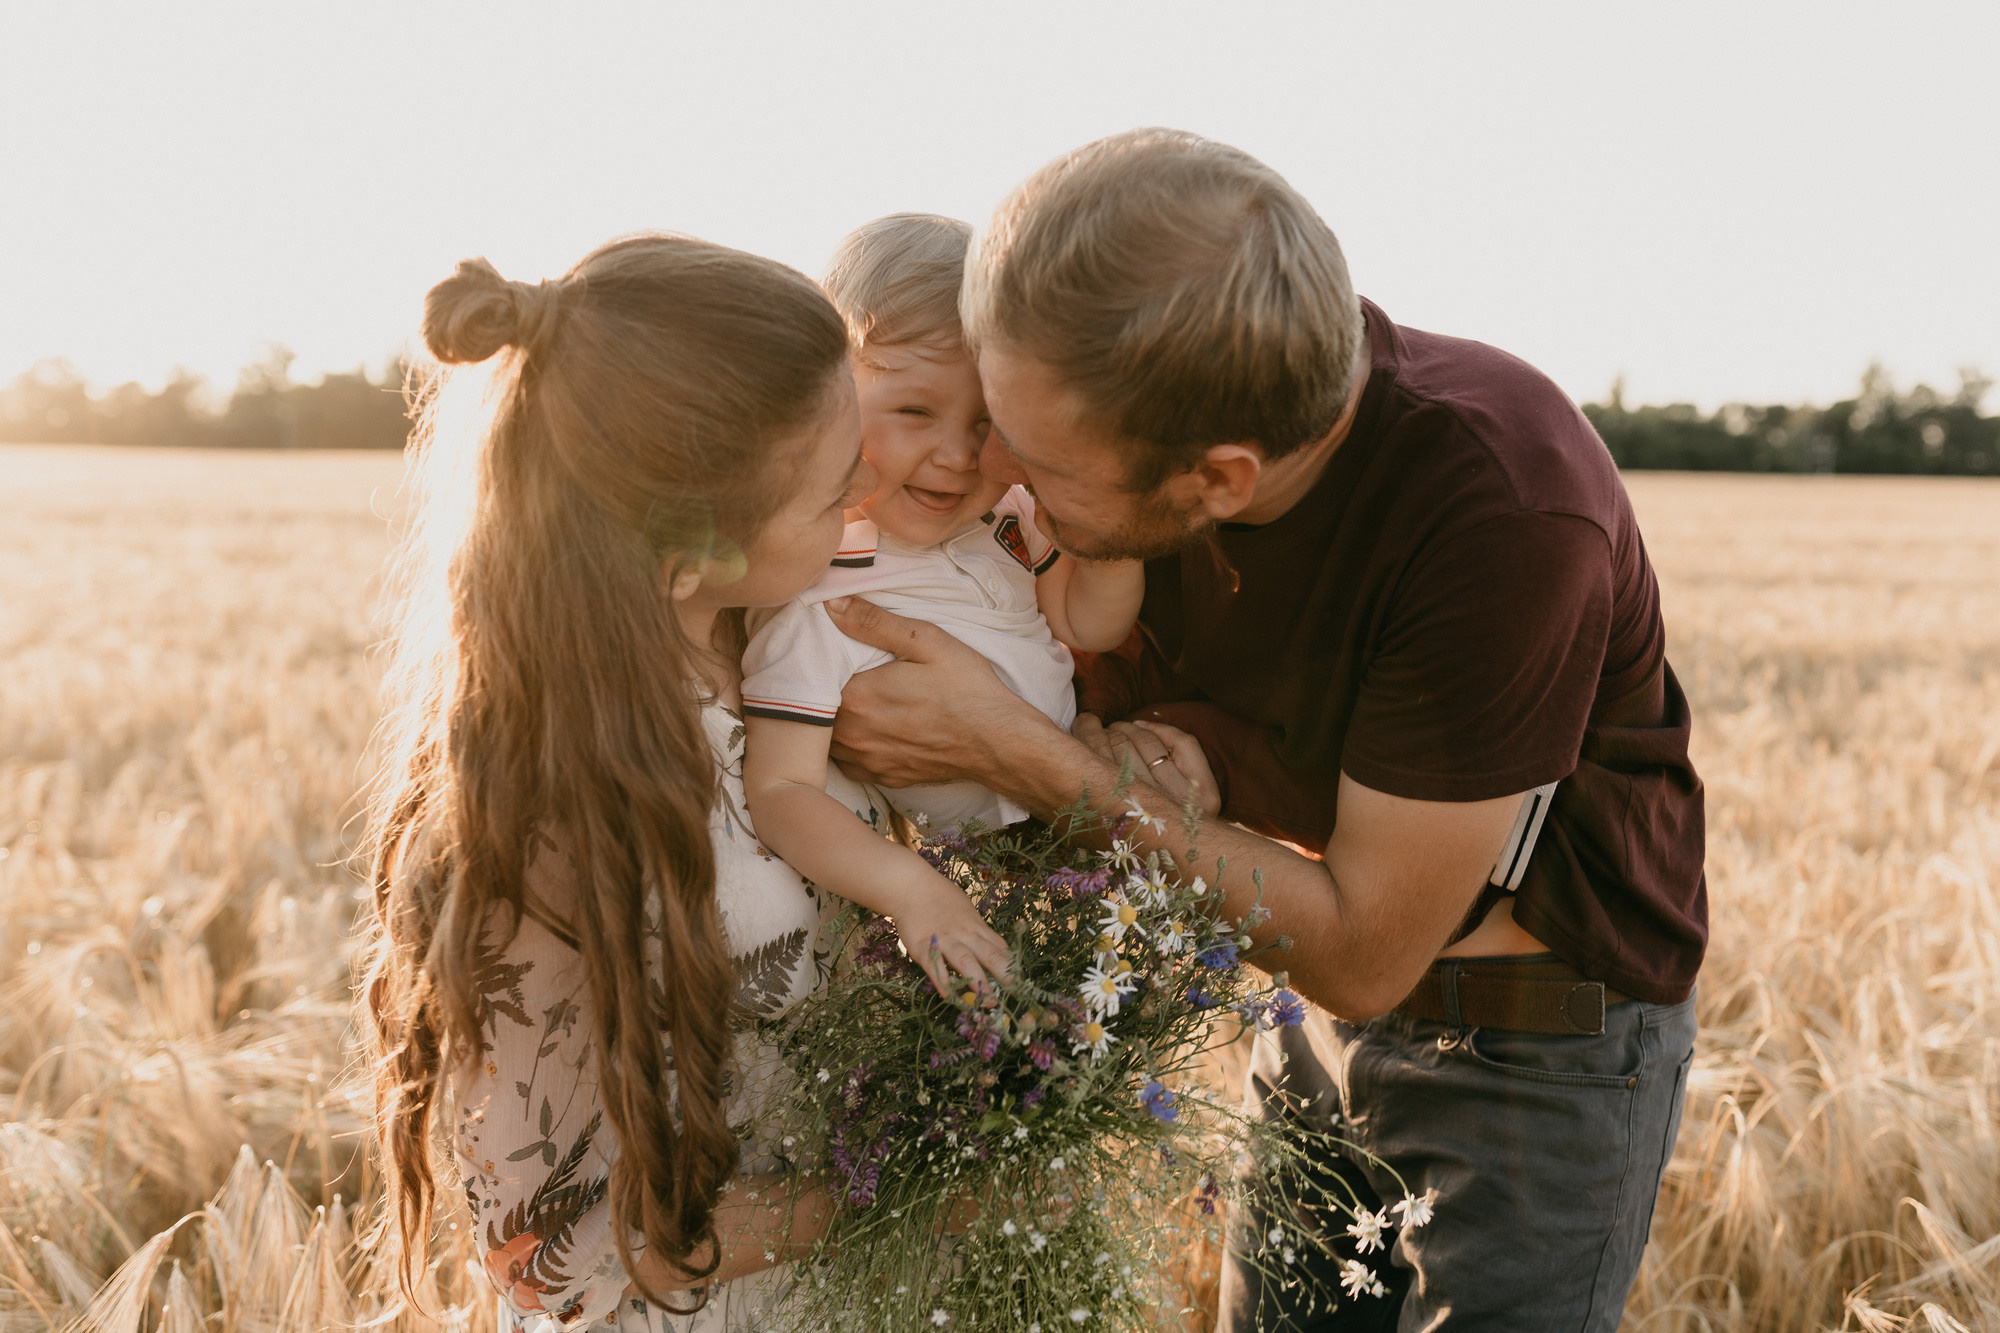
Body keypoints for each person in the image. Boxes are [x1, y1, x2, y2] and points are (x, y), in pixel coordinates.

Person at [821, 130, 1707, 1329]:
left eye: (1033, 457)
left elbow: (1363, 947)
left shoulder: (1498, 507)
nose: (1001, 480)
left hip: (1527, 1050)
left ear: (1219, 482)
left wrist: (1023, 755)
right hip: (1294, 1003)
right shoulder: (1148, 438)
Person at [362, 236, 887, 1331]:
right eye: (830, 491)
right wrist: (903, 1198)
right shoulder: (537, 811)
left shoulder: (796, 651)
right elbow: (549, 1257)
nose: (866, 496)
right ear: (688, 554)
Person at [740, 213, 1143, 997]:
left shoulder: (1011, 517)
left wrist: (1113, 535)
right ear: (830, 393)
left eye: (988, 421)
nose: (959, 456)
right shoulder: (820, 586)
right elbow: (781, 793)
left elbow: (1090, 623)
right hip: (981, 883)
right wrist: (911, 889)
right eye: (916, 412)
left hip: (1086, 848)